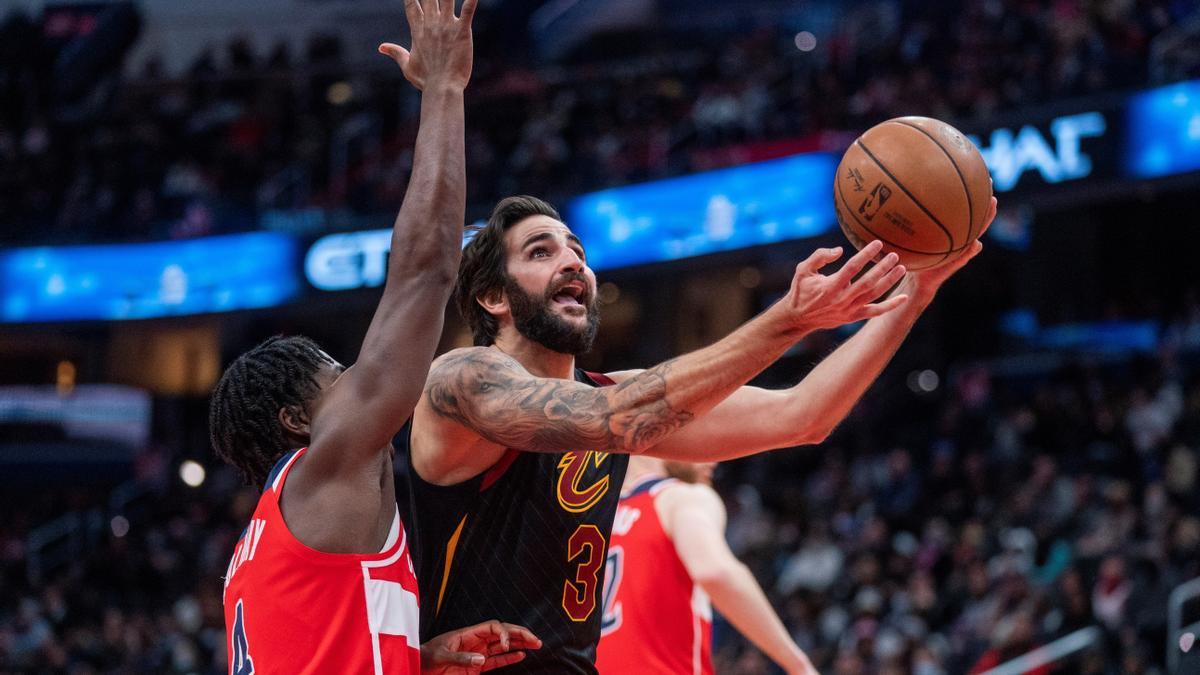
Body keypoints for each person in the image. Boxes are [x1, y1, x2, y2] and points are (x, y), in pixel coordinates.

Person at [396, 193, 996, 672]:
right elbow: (612, 420)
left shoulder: (608, 392)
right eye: (540, 252)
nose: (573, 261)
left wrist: (915, 296)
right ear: (494, 297)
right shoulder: (463, 380)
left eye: (576, 249)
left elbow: (803, 416)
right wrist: (788, 321)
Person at [209, 2, 539, 672]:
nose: (357, 374)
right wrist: (444, 90)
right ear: (298, 419)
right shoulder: (325, 465)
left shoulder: (271, 542)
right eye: (333, 371)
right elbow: (424, 271)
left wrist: (413, 657)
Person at [595, 457, 818, 675]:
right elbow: (714, 572)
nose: (715, 458)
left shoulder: (592, 521)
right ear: (666, 432)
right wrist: (797, 664)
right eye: (704, 439)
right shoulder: (681, 497)